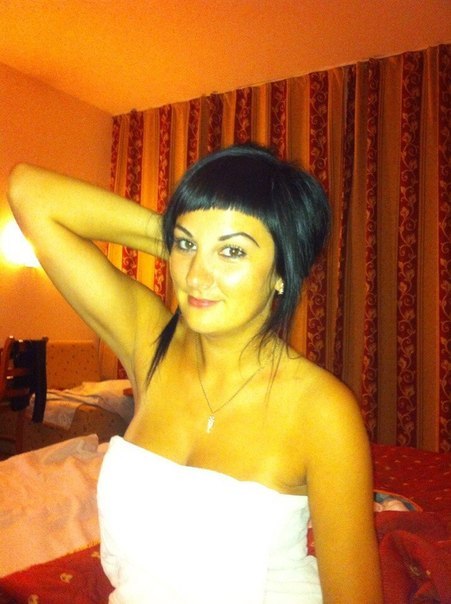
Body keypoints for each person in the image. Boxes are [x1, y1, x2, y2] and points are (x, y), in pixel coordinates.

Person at [8, 144, 383, 603]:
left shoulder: (322, 411)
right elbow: (28, 191)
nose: (196, 276)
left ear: (282, 273)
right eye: (187, 246)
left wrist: (193, 237)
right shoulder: (151, 346)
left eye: (232, 251)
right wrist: (174, 235)